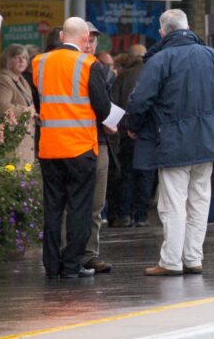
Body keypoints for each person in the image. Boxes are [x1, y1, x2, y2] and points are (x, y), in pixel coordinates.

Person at [124, 9, 214, 276]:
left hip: (172, 141)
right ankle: (193, 258)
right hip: (206, 139)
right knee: (199, 201)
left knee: (172, 203)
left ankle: (170, 261)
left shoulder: (161, 59)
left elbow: (139, 100)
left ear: (162, 31)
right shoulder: (209, 55)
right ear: (188, 26)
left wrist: (132, 127)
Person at [33, 17, 112, 279]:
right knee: (79, 208)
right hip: (80, 147)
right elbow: (103, 108)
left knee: (53, 208)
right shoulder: (89, 64)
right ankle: (71, 266)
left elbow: (40, 100)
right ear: (84, 38)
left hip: (49, 148)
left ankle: (51, 265)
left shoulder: (40, 62)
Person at [80, 21, 113, 274]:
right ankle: (72, 254)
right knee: (76, 204)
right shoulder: (79, 67)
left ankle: (89, 254)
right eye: (86, 39)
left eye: (93, 40)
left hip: (97, 141)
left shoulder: (100, 68)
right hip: (78, 142)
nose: (90, 44)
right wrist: (112, 121)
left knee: (95, 205)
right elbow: (103, 108)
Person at [109, 43, 154, 228]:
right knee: (146, 175)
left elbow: (114, 104)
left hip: (127, 134)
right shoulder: (152, 73)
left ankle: (124, 214)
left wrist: (121, 129)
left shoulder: (123, 76)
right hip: (148, 134)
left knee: (127, 174)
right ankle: (141, 215)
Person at [0, 44, 37, 163]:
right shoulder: (5, 80)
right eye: (17, 57)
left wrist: (34, 115)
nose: (22, 60)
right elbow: (0, 106)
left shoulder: (22, 80)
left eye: (24, 57)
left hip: (24, 144)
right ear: (7, 60)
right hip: (12, 144)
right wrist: (26, 111)